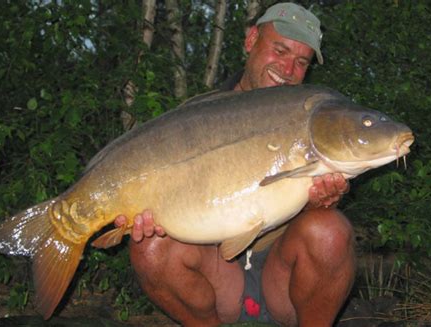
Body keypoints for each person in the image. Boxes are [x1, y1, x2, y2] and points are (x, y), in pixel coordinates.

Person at [115, 3, 355, 326]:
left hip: (281, 277)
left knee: (330, 232)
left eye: (301, 62)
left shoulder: (311, 122)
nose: (287, 68)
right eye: (280, 50)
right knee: (151, 245)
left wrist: (320, 204)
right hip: (217, 275)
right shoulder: (202, 117)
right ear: (251, 39)